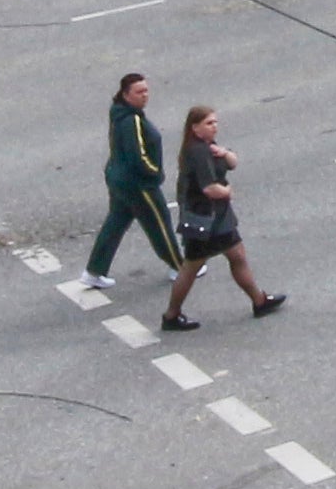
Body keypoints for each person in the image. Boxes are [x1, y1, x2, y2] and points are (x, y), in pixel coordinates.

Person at [156, 102, 285, 328]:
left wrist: (224, 152)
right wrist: (227, 191)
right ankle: (171, 315)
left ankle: (259, 300)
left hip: (215, 217)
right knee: (192, 267)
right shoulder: (198, 151)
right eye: (209, 123)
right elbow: (209, 188)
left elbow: (232, 163)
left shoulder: (207, 146)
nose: (214, 127)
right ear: (194, 128)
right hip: (206, 219)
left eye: (215, 122)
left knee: (236, 256)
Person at [89, 72, 181, 285]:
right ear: (125, 94)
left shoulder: (119, 113)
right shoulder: (132, 120)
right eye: (139, 92)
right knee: (159, 222)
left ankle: (94, 270)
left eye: (146, 90)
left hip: (118, 178)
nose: (145, 95)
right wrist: (155, 173)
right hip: (138, 184)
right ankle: (179, 266)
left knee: (117, 221)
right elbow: (138, 156)